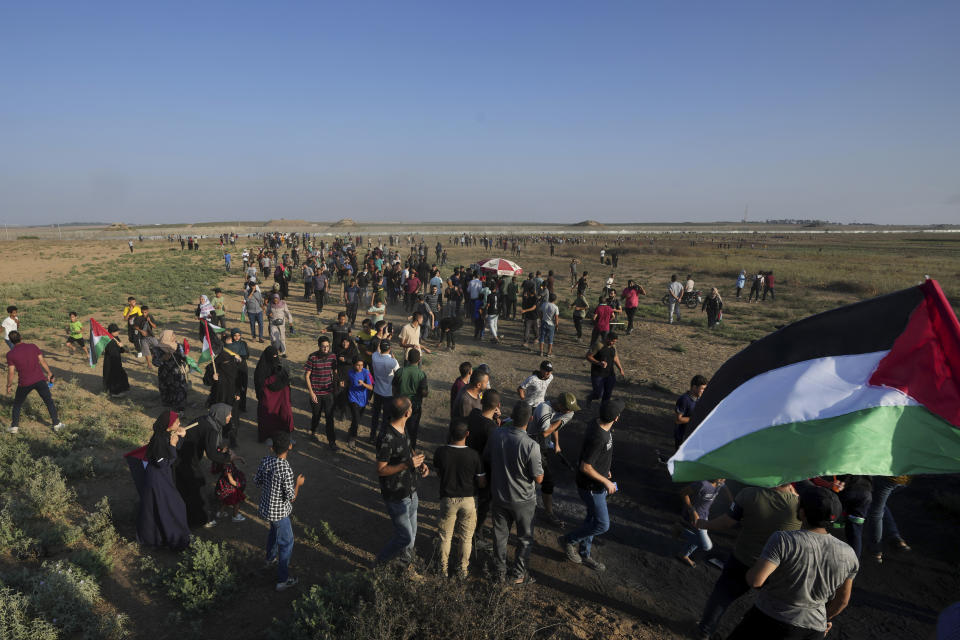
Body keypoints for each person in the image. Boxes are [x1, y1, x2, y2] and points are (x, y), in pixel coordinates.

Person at [727, 487, 858, 640]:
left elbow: (756, 580)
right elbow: (842, 601)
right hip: (813, 629)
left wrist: (749, 570)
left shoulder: (784, 540)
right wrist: (824, 619)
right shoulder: (849, 553)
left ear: (802, 513)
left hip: (770, 620)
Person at [693, 483, 802, 639]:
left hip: (743, 559)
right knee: (767, 608)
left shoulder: (749, 494)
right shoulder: (799, 504)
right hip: (774, 568)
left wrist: (704, 524)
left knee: (722, 596)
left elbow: (727, 522)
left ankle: (704, 631)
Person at [558, 398, 622, 572]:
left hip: (596, 482)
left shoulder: (599, 424)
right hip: (592, 487)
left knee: (592, 519)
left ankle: (585, 554)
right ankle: (568, 540)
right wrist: (605, 480)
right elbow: (585, 466)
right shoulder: (599, 436)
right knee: (602, 524)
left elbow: (595, 457)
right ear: (616, 418)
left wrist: (604, 470)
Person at [484, 401, 543, 584]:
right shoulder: (531, 445)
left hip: (500, 495)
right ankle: (518, 575)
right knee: (525, 538)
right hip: (523, 500)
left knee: (500, 536)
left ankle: (499, 571)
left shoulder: (496, 434)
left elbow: (486, 458)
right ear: (531, 419)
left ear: (512, 415)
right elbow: (538, 478)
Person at [375, 396, 429, 566]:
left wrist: (418, 463)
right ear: (407, 413)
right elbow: (381, 469)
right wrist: (407, 464)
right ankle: (380, 563)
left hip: (410, 490)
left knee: (412, 532)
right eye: (411, 406)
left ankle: (406, 563)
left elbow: (407, 447)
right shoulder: (386, 438)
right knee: (404, 536)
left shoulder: (402, 428)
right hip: (396, 495)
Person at [433, 419, 486, 578]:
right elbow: (482, 482)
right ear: (467, 434)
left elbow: (438, 473)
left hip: (448, 499)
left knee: (444, 536)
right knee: (466, 538)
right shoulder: (474, 455)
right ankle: (462, 569)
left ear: (450, 433)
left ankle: (442, 569)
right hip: (468, 500)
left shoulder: (441, 452)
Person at [175, 403, 242, 528]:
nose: (230, 416)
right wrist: (228, 458)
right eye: (229, 414)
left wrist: (224, 450)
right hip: (186, 459)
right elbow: (212, 454)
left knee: (186, 486)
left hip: (185, 455)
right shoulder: (211, 429)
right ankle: (201, 519)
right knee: (197, 487)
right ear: (220, 414)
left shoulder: (207, 420)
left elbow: (212, 444)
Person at [254, 431, 305, 592]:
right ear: (289, 447)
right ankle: (283, 579)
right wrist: (298, 484)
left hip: (266, 508)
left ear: (272, 448)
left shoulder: (266, 460)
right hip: (280, 513)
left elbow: (257, 481)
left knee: (273, 533)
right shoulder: (286, 469)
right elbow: (291, 498)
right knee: (287, 542)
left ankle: (270, 559)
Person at [137, 410, 191, 550]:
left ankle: (165, 537)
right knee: (172, 507)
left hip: (162, 477)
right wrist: (173, 446)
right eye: (176, 422)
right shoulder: (159, 440)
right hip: (157, 479)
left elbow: (174, 447)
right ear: (169, 425)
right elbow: (164, 462)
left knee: (161, 507)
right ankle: (175, 540)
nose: (179, 423)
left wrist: (182, 436)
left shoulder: (166, 434)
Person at [530, 392, 580, 528]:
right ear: (559, 405)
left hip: (542, 447)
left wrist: (557, 443)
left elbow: (554, 425)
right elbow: (546, 431)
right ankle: (544, 512)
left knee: (541, 479)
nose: (570, 412)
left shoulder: (564, 411)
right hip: (532, 445)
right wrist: (562, 419)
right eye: (568, 409)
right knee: (544, 479)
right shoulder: (543, 409)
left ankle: (544, 510)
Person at [4, 331, 63, 434]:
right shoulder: (32, 346)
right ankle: (56, 424)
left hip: (24, 383)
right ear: (21, 337)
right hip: (40, 379)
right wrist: (49, 373)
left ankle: (14, 426)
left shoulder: (10, 354)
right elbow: (42, 361)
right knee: (48, 401)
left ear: (11, 341)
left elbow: (11, 372)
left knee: (17, 404)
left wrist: (9, 385)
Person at [467, 388, 501, 549]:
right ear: (498, 406)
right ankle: (476, 535)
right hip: (483, 470)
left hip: (468, 465)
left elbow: (479, 416)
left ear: (481, 401)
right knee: (483, 504)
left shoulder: (474, 415)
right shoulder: (492, 429)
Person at [675, 478, 732, 567]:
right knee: (706, 545)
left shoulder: (720, 483)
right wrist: (692, 512)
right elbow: (683, 492)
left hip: (704, 516)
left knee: (698, 537)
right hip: (694, 516)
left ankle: (684, 555)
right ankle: (681, 530)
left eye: (725, 477)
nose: (723, 479)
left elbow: (726, 488)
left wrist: (732, 502)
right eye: (721, 477)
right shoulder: (702, 484)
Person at [866, 475, 911, 564]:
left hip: (887, 477)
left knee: (876, 512)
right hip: (904, 478)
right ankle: (895, 538)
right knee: (878, 504)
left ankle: (875, 550)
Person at [255, 345, 294, 444]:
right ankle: (268, 436)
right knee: (268, 416)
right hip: (269, 396)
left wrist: (280, 374)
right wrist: (274, 377)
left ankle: (286, 436)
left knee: (285, 413)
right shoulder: (261, 368)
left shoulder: (280, 365)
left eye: (276, 355)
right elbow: (261, 382)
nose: (275, 358)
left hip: (281, 395)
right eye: (273, 356)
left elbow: (286, 380)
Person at [392, 349, 429, 450]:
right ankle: (410, 451)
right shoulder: (421, 374)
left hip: (400, 406)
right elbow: (424, 393)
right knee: (412, 431)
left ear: (407, 358)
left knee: (399, 429)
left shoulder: (400, 371)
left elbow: (394, 388)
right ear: (419, 359)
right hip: (414, 407)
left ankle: (397, 448)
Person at [370, 340, 400, 444]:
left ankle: (372, 436)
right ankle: (381, 438)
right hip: (388, 393)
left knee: (375, 415)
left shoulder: (374, 357)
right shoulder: (392, 362)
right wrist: (394, 358)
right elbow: (399, 372)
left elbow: (377, 351)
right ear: (390, 348)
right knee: (385, 418)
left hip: (377, 391)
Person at [152, 330, 189, 412]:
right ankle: (168, 403)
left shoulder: (178, 346)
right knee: (166, 388)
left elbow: (184, 357)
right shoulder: (157, 349)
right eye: (172, 335)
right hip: (165, 373)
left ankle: (180, 408)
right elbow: (155, 362)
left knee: (179, 389)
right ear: (167, 337)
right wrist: (163, 359)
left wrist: (185, 355)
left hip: (177, 373)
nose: (174, 336)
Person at [585, 333, 624, 407]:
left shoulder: (613, 347)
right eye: (612, 341)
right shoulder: (598, 345)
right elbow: (588, 356)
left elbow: (615, 358)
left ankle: (604, 411)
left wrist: (620, 369)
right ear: (607, 338)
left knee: (608, 394)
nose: (613, 343)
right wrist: (598, 363)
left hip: (610, 374)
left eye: (615, 342)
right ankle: (590, 397)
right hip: (598, 374)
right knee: (598, 393)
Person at [346, 357, 374, 446]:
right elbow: (348, 382)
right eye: (358, 365)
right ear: (354, 365)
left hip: (363, 399)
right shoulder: (350, 372)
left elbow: (371, 387)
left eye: (361, 365)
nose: (360, 367)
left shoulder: (366, 372)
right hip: (352, 398)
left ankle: (351, 430)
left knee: (357, 419)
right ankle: (352, 438)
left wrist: (363, 384)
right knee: (356, 418)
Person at [675, 375, 707, 450]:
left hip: (693, 435)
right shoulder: (684, 400)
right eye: (702, 389)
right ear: (694, 387)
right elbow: (678, 420)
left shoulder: (700, 399)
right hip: (682, 436)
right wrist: (695, 419)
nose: (704, 391)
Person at [213, 459, 247, 523]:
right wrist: (239, 485)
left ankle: (220, 513)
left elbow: (234, 457)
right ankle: (235, 516)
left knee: (226, 501)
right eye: (231, 452)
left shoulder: (223, 461)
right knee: (237, 501)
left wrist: (240, 458)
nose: (233, 453)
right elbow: (231, 481)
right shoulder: (228, 466)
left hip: (224, 485)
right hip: (230, 487)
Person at [102, 323, 131, 397]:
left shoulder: (115, 338)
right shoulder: (109, 341)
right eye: (116, 331)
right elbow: (112, 352)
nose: (118, 332)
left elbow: (120, 350)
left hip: (116, 360)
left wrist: (122, 347)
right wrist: (120, 347)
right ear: (111, 332)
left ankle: (122, 388)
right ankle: (115, 393)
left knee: (122, 375)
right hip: (111, 362)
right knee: (114, 376)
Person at [538, 293, 560, 357]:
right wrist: (557, 325)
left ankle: (541, 352)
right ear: (555, 299)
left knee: (542, 337)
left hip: (544, 322)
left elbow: (540, 312)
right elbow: (556, 317)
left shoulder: (544, 304)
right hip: (551, 324)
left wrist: (541, 318)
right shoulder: (555, 307)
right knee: (550, 339)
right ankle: (549, 352)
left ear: (549, 298)